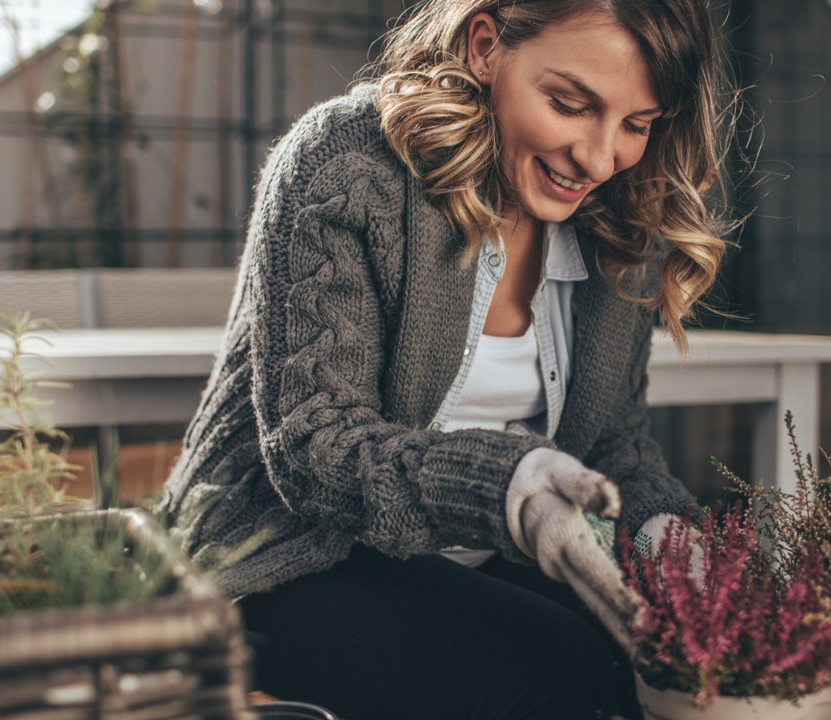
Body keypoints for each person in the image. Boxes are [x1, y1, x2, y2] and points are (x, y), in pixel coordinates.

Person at [158, 1, 731, 718]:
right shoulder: (346, 161)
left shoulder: (621, 214)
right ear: (486, 46)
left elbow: (614, 443)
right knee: (560, 673)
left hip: (478, 555)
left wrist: (661, 537)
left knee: (665, 662)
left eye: (637, 125)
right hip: (281, 555)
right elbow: (315, 448)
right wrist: (508, 491)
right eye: (570, 104)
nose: (599, 156)